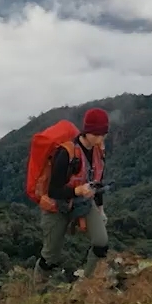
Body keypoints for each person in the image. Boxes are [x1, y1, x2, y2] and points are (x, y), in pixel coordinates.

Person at [38, 107, 110, 282]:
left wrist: (100, 209)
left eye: (103, 134)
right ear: (87, 131)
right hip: (58, 207)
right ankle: (36, 292)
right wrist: (76, 190)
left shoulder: (98, 152)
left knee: (101, 243)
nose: (100, 138)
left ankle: (87, 284)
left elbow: (97, 181)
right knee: (50, 258)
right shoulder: (66, 153)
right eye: (97, 134)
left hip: (84, 203)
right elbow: (53, 191)